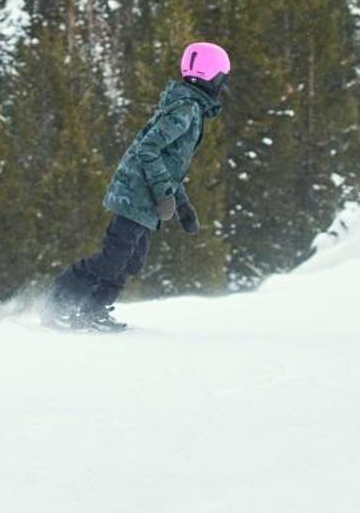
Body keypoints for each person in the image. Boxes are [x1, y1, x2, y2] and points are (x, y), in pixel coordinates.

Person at [45, 42, 230, 332]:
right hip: (134, 195)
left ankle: (92, 311)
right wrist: (164, 195)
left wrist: (183, 207)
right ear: (211, 77)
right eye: (222, 78)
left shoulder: (189, 107)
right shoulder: (185, 110)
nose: (223, 85)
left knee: (130, 261)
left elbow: (169, 165)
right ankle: (58, 304)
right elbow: (148, 149)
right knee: (112, 260)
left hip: (143, 197)